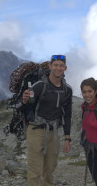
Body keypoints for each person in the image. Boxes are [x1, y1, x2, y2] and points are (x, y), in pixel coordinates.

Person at [22, 55, 72, 186]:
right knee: (35, 169)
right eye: (55, 65)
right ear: (50, 66)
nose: (58, 68)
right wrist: (25, 100)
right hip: (36, 130)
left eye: (61, 65)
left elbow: (67, 114)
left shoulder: (67, 90)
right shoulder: (39, 86)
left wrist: (67, 138)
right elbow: (27, 107)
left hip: (54, 132)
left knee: (50, 168)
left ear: (65, 68)